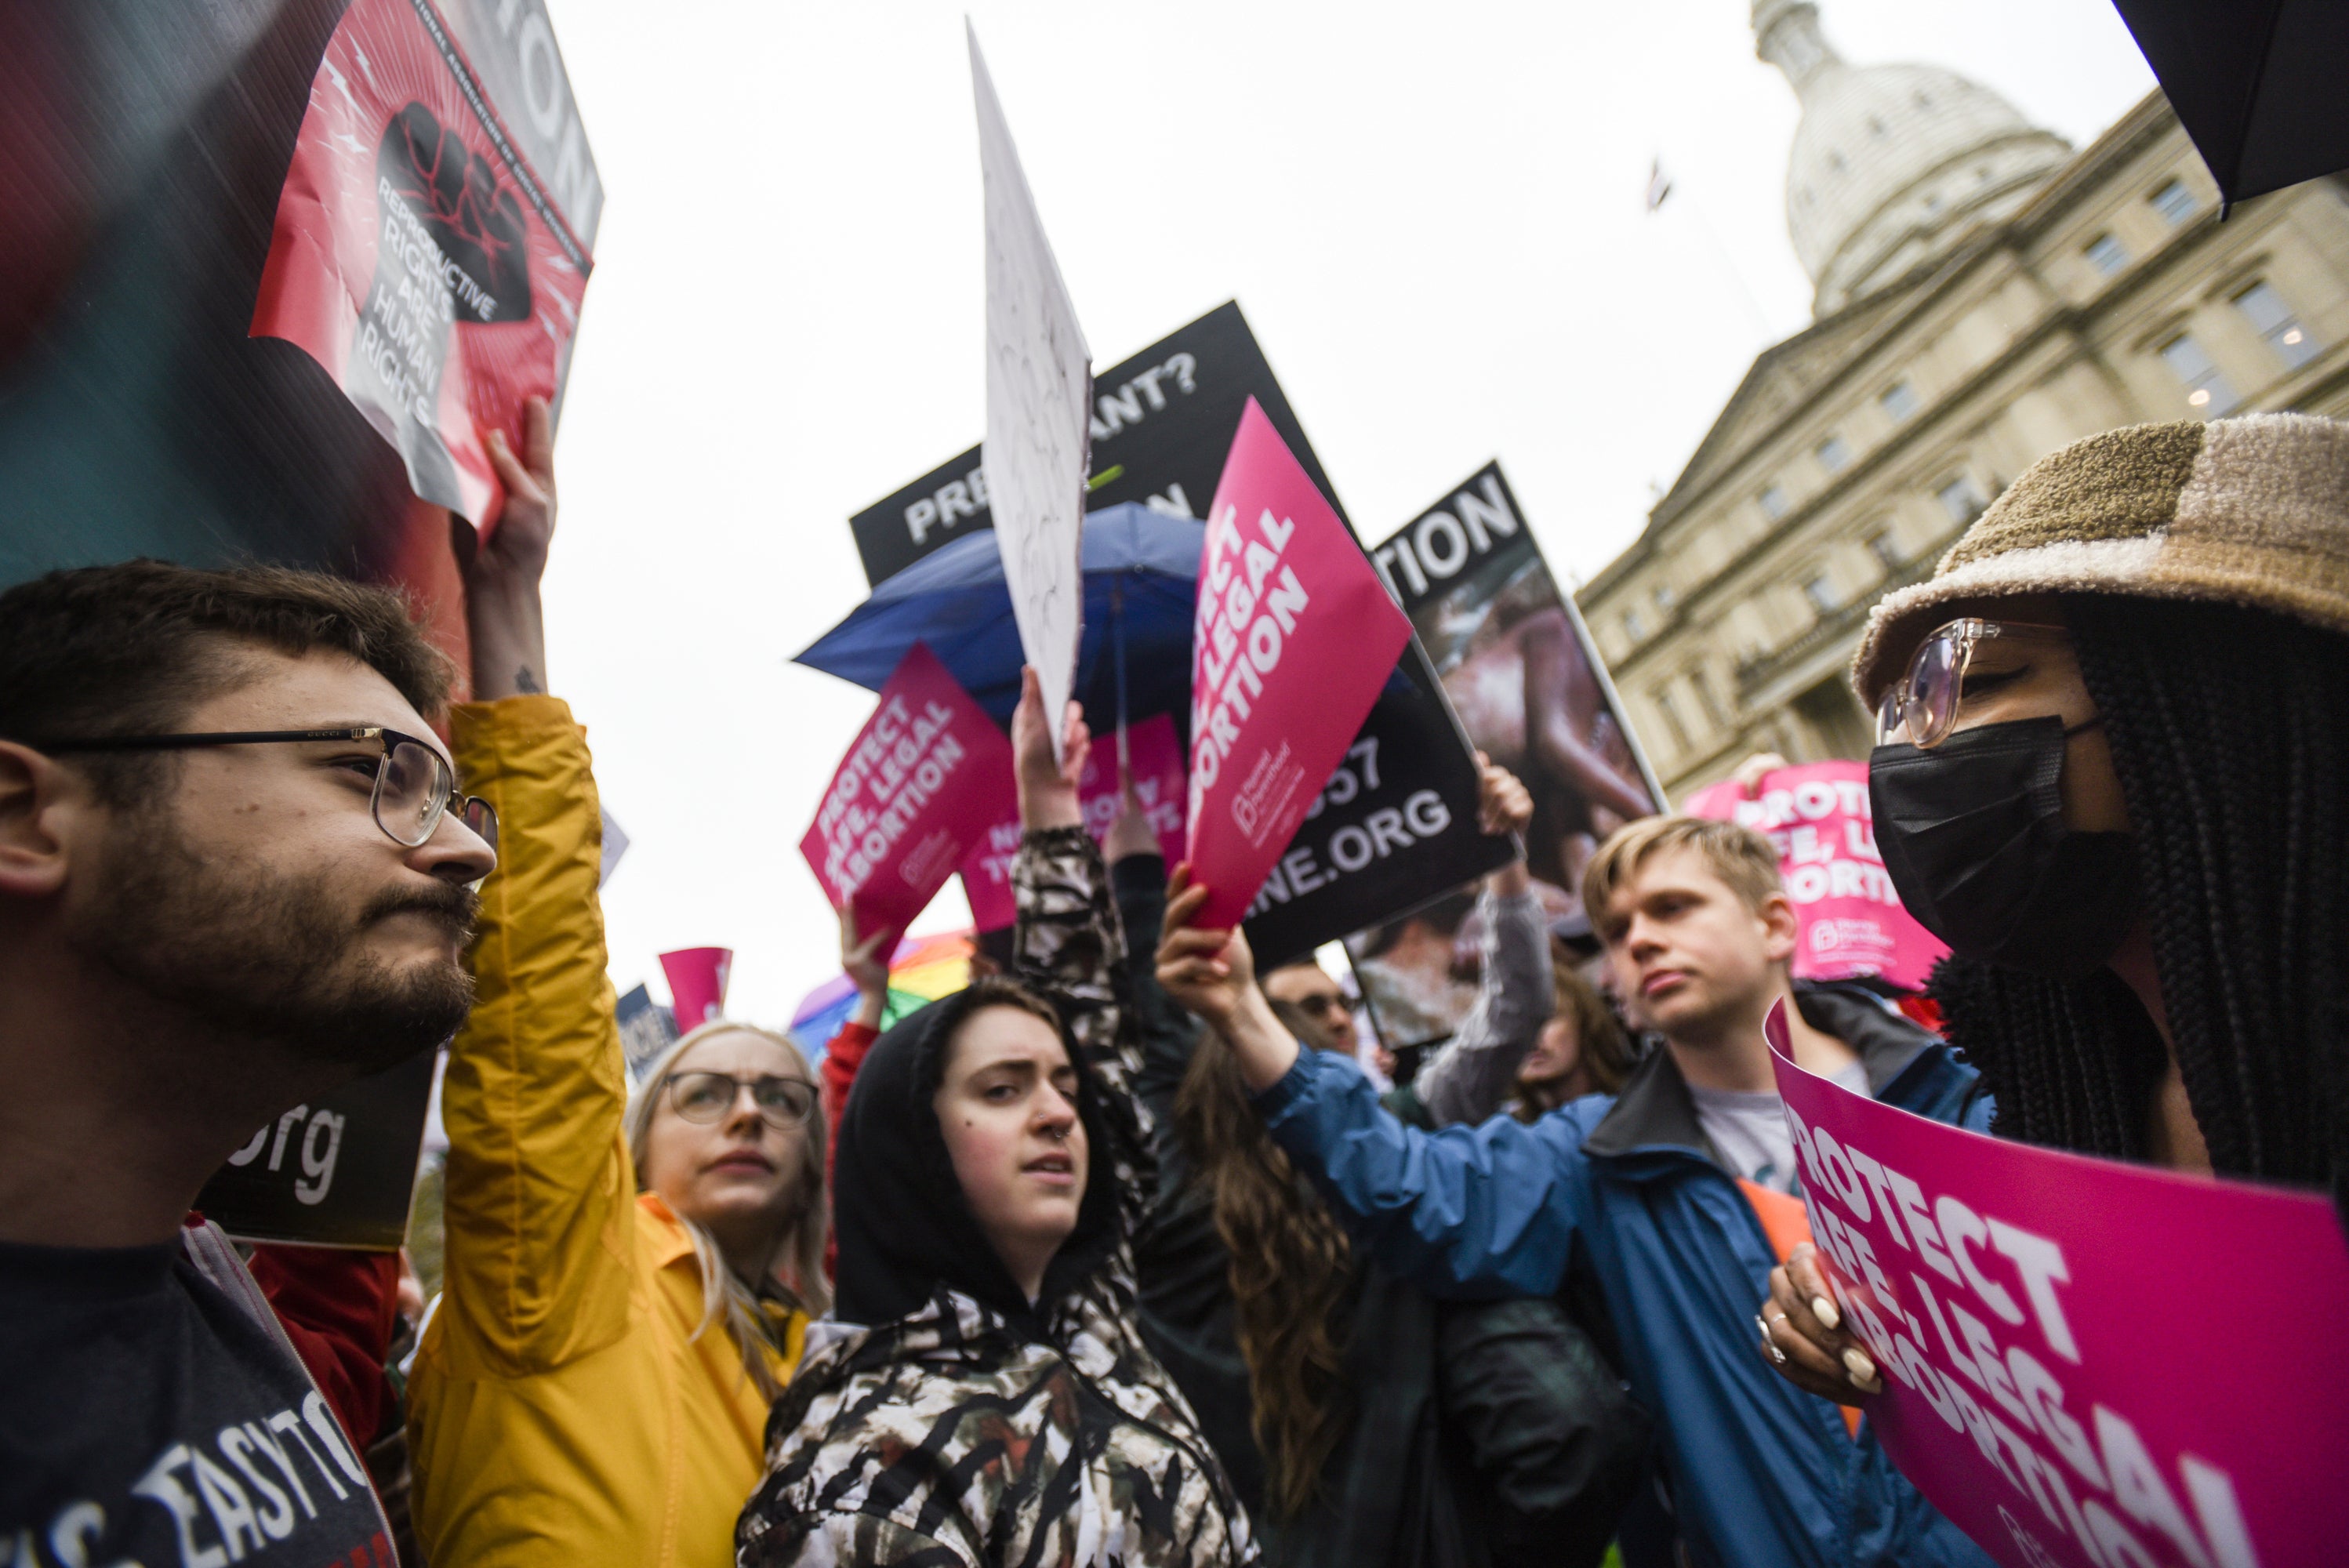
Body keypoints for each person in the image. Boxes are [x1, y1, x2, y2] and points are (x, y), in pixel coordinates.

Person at [1160, 813, 1997, 1568]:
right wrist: (1240, 1012)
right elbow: (1409, 1191)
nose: (1637, 941)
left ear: (1773, 922)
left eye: (1671, 908)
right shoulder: (1597, 1157)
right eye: (1617, 928)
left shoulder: (1959, 1102)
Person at [1766, 412, 2349, 1397]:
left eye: (1974, 679)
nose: (1910, 757)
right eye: (1897, 711)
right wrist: (1931, 1339)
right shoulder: (2057, 1095)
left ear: (2203, 692)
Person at [0, 555, 496, 1562]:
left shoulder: (227, 1301)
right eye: (369, 772)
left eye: (449, 801)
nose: (471, 853)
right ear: (24, 815)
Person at [404, 399, 828, 1568]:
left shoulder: (843, 1382)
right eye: (705, 1093)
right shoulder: (575, 1269)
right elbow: (540, 1012)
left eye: (784, 1099)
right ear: (629, 1141)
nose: (749, 1110)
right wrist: (509, 609)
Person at [735, 670, 1254, 1567]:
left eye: (1063, 1085)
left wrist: (1050, 802)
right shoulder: (863, 1479)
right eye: (1002, 1089)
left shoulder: (1087, 1313)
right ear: (911, 1151)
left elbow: (1082, 1011)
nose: (1058, 1110)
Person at [1138, 760, 1645, 1568]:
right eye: (1303, 1008)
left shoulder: (1403, 1136)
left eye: (1339, 1002)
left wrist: (1503, 862)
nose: (1338, 1017)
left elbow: (1511, 1011)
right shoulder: (1189, 1218)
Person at [1511, 946, 1636, 1120]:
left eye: (1547, 1018)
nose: (1530, 1035)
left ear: (1585, 1025)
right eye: (1515, 1022)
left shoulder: (1636, 1110)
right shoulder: (1502, 1137)